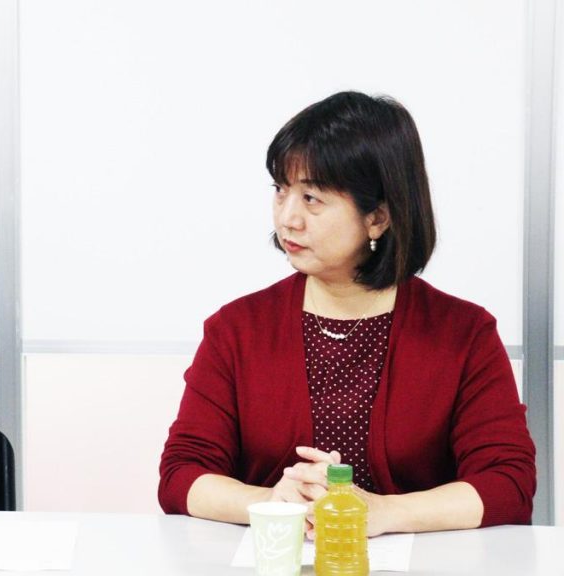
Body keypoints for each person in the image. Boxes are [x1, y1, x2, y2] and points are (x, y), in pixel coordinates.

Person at [158, 91, 536, 535]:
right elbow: (181, 474)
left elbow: (507, 483)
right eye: (281, 191)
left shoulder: (463, 334)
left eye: (312, 198)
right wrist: (271, 502)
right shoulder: (237, 329)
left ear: (378, 217)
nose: (288, 218)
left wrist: (384, 512)